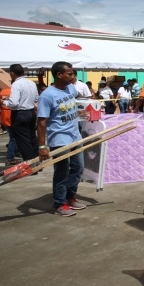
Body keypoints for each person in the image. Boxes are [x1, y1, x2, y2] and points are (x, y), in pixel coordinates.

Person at [37, 61, 85, 217]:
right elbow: (41, 122)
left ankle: (70, 197)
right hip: (59, 139)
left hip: (75, 135)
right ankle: (59, 203)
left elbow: (81, 98)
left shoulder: (70, 88)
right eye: (70, 74)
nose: (73, 77)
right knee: (61, 173)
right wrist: (42, 146)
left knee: (78, 168)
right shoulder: (47, 95)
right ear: (59, 75)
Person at [3, 64, 39, 161]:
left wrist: (5, 101)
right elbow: (36, 98)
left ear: (12, 73)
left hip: (20, 113)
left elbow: (14, 103)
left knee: (23, 140)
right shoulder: (31, 83)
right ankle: (36, 160)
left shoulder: (16, 84)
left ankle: (30, 163)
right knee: (32, 138)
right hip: (31, 112)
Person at [0, 86, 20, 165]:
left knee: (14, 136)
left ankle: (15, 150)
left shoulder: (3, 91)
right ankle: (10, 156)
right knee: (14, 138)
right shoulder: (15, 91)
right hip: (12, 116)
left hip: (5, 116)